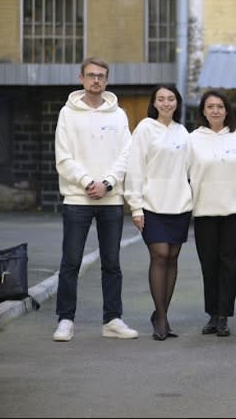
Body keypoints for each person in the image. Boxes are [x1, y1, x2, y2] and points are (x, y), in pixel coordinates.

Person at [52, 56, 138, 342]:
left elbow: (127, 154)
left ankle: (112, 320)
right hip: (78, 198)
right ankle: (65, 320)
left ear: (107, 79)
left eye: (101, 75)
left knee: (112, 263)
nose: (96, 80)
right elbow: (63, 157)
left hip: (110, 200)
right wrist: (89, 182)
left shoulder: (119, 114)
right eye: (90, 75)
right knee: (71, 262)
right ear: (81, 79)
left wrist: (109, 184)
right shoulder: (68, 114)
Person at [124, 84, 192, 341]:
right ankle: (160, 317)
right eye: (161, 99)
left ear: (177, 102)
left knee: (172, 257)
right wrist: (135, 206)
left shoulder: (183, 132)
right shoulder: (145, 128)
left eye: (170, 99)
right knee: (160, 254)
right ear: (154, 103)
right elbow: (135, 168)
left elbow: (190, 169)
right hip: (151, 204)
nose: (166, 103)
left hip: (180, 204)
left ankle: (162, 313)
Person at [187, 90, 236, 337]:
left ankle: (224, 315)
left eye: (220, 106)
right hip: (204, 209)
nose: (215, 110)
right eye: (210, 106)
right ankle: (212, 313)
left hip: (233, 209)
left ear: (227, 111)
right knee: (209, 264)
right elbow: (186, 172)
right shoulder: (193, 139)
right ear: (203, 110)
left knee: (230, 263)